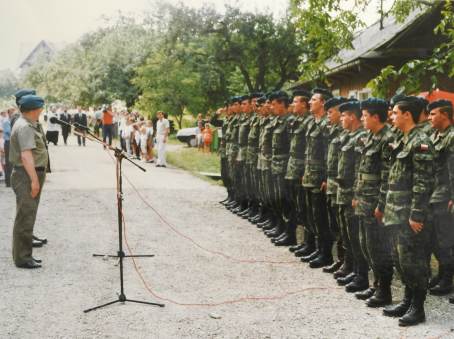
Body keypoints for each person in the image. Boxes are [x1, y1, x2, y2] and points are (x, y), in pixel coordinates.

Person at [382, 96, 434, 327]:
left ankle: (418, 308)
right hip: (395, 210)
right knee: (400, 258)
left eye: (394, 113)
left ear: (407, 114)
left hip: (409, 214)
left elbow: (423, 182)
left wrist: (416, 214)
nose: (391, 117)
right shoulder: (401, 140)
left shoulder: (420, 141)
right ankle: (407, 300)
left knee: (413, 260)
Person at [9, 94, 48, 269]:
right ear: (34, 109)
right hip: (26, 175)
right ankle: (23, 258)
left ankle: (24, 255)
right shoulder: (24, 127)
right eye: (40, 108)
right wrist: (34, 181)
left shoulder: (27, 124)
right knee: (25, 217)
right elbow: (26, 156)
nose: (41, 111)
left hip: (28, 174)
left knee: (27, 215)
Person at [426, 99, 454, 296]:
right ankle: (443, 273)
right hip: (434, 194)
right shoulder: (435, 135)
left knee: (446, 240)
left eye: (433, 114)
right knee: (437, 238)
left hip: (445, 195)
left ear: (445, 115)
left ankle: (447, 280)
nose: (429, 117)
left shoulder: (451, 137)